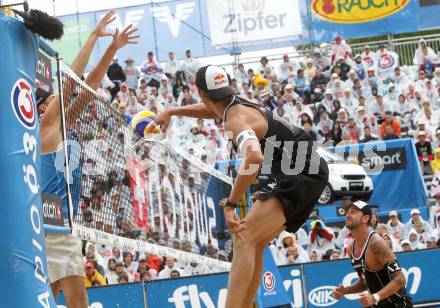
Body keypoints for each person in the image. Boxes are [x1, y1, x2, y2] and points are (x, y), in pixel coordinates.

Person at [152, 65, 329, 308]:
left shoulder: (235, 120)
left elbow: (254, 158)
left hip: (300, 171)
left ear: (202, 92)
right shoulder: (234, 104)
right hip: (301, 166)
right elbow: (211, 110)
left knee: (244, 237)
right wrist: (173, 110)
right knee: (253, 243)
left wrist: (231, 204)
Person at [39, 10, 138, 307]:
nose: (59, 98)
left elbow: (88, 85)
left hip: (64, 226)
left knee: (63, 301)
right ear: (42, 108)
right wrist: (94, 36)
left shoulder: (64, 123)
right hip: (49, 229)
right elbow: (70, 79)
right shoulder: (46, 128)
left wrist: (112, 47)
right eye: (52, 98)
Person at [332, 200, 413, 307]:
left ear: (365, 218)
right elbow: (366, 281)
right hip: (378, 304)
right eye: (347, 212)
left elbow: (400, 279)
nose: (347, 215)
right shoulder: (351, 248)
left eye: (353, 212)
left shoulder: (376, 243)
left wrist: (375, 297)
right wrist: (345, 291)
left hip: (398, 303)